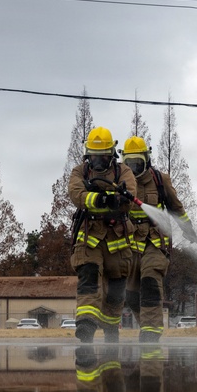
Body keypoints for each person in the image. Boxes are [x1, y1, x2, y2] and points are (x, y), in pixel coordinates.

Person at [121, 136, 196, 343]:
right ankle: (146, 325)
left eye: (138, 163)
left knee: (151, 280)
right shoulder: (120, 182)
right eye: (130, 164)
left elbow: (176, 207)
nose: (134, 169)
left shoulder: (160, 180)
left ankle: (151, 332)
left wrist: (187, 228)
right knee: (131, 294)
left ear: (147, 159)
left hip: (155, 242)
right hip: (128, 245)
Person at [68, 127, 137, 344]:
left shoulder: (123, 172)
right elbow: (77, 195)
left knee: (116, 289)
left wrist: (121, 199)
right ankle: (86, 325)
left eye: (102, 155)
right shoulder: (79, 172)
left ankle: (110, 328)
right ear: (88, 154)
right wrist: (102, 200)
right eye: (93, 155)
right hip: (89, 236)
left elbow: (131, 195)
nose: (97, 160)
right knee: (88, 279)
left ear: (112, 154)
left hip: (117, 238)